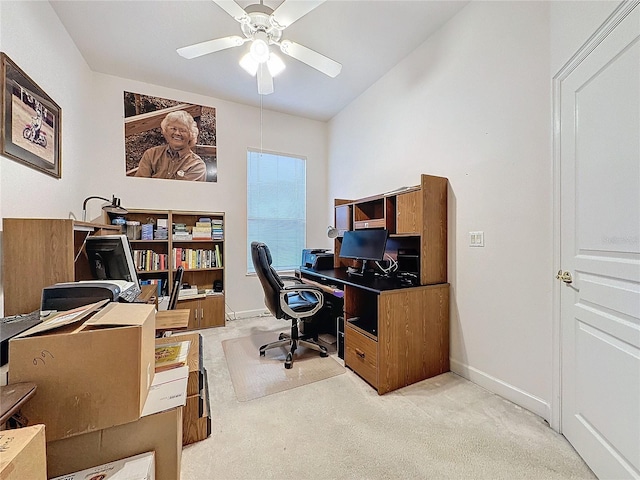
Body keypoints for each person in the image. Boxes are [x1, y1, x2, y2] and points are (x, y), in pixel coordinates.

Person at [135, 110, 206, 181]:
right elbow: (140, 185)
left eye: (183, 130)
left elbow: (185, 191)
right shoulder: (151, 154)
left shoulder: (196, 165)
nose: (177, 133)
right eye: (173, 129)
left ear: (191, 135)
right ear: (165, 131)